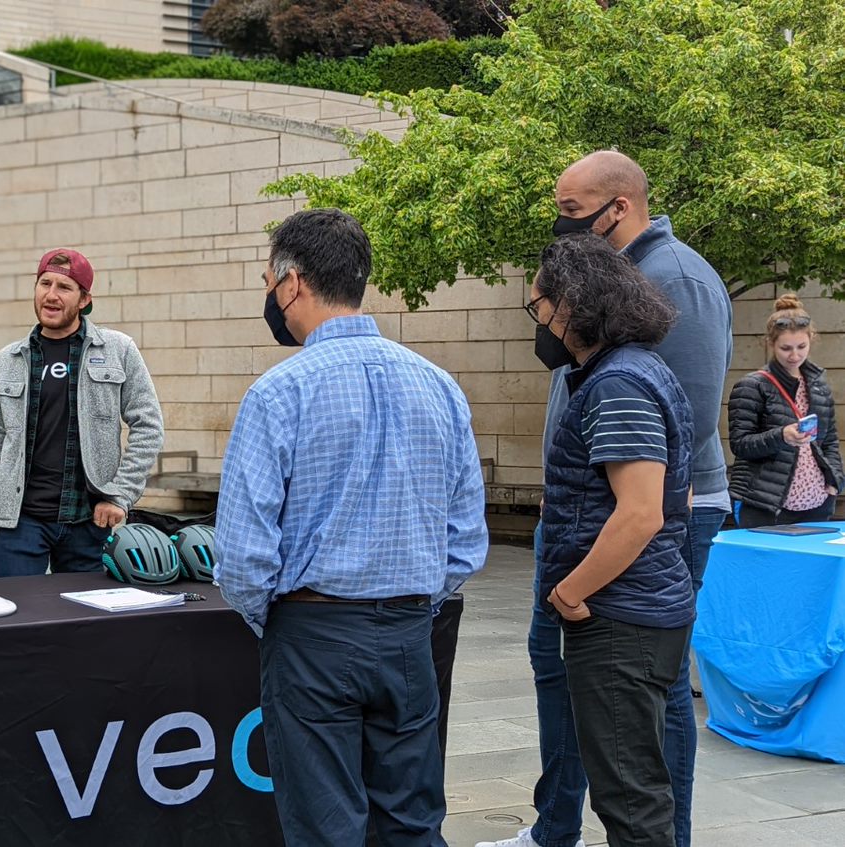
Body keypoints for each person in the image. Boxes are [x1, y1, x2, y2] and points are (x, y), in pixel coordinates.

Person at [215, 208, 488, 846]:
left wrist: (281, 619)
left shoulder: (277, 394)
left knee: (324, 826)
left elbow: (242, 555)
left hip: (312, 633)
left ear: (291, 285)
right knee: (413, 822)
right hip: (408, 631)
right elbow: (466, 539)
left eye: (267, 281)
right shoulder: (440, 387)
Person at [481, 151, 730, 847]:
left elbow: (663, 470)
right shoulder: (602, 307)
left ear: (618, 207)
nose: (563, 225)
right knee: (572, 680)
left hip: (631, 533)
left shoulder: (675, 280)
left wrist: (581, 580)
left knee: (642, 709)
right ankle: (558, 825)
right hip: (591, 522)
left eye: (571, 211)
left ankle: (657, 835)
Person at [520, 233, 694, 847]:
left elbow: (642, 513)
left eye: (538, 307)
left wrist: (570, 590)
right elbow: (679, 498)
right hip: (641, 608)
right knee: (638, 787)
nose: (537, 321)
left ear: (571, 306)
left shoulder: (618, 384)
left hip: (619, 620)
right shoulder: (638, 371)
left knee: (628, 799)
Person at [0, 248, 163, 577]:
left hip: (88, 521)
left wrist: (120, 495)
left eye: (64, 287)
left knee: (85, 625)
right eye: (44, 283)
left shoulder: (118, 350)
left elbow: (148, 426)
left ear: (83, 299)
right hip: (20, 523)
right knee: (19, 623)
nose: (51, 295)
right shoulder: (6, 361)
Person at [727, 294, 841, 528]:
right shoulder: (752, 385)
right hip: (765, 505)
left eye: (802, 347)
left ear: (811, 340)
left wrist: (834, 481)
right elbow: (740, 444)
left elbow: (829, 440)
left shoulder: (818, 386)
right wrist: (782, 436)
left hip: (817, 502)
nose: (795, 355)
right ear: (770, 344)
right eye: (785, 348)